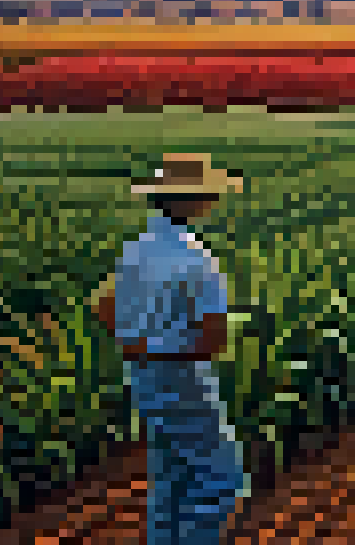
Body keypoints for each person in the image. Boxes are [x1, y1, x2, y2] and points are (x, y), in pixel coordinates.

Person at [94, 153, 249, 545]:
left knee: (169, 479)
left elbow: (103, 306)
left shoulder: (137, 248)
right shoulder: (195, 257)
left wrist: (134, 343)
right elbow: (213, 339)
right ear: (193, 202)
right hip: (181, 376)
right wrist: (165, 347)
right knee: (221, 481)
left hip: (141, 374)